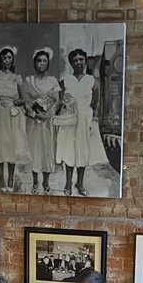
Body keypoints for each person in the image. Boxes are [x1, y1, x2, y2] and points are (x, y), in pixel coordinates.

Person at [0, 45, 30, 193]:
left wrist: (12, 102)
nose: (6, 60)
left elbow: (24, 99)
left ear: (12, 60)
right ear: (0, 59)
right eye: (4, 57)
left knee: (11, 146)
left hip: (12, 114)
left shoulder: (16, 78)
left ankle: (10, 177)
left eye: (9, 57)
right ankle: (1, 178)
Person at [56, 48, 101, 197]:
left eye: (81, 59)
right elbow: (59, 100)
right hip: (70, 118)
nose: (78, 62)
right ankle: (68, 183)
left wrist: (94, 120)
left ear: (85, 60)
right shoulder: (65, 80)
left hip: (85, 119)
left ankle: (80, 184)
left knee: (83, 152)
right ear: (71, 63)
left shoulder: (92, 81)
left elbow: (97, 103)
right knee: (69, 151)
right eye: (75, 60)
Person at [23, 47, 60, 194]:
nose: (41, 63)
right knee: (35, 151)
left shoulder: (52, 81)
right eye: (39, 61)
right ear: (35, 63)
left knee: (47, 151)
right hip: (34, 121)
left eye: (45, 61)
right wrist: (35, 114)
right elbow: (26, 102)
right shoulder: (29, 80)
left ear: (48, 63)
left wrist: (49, 113)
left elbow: (57, 100)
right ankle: (34, 182)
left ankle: (46, 182)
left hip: (47, 121)